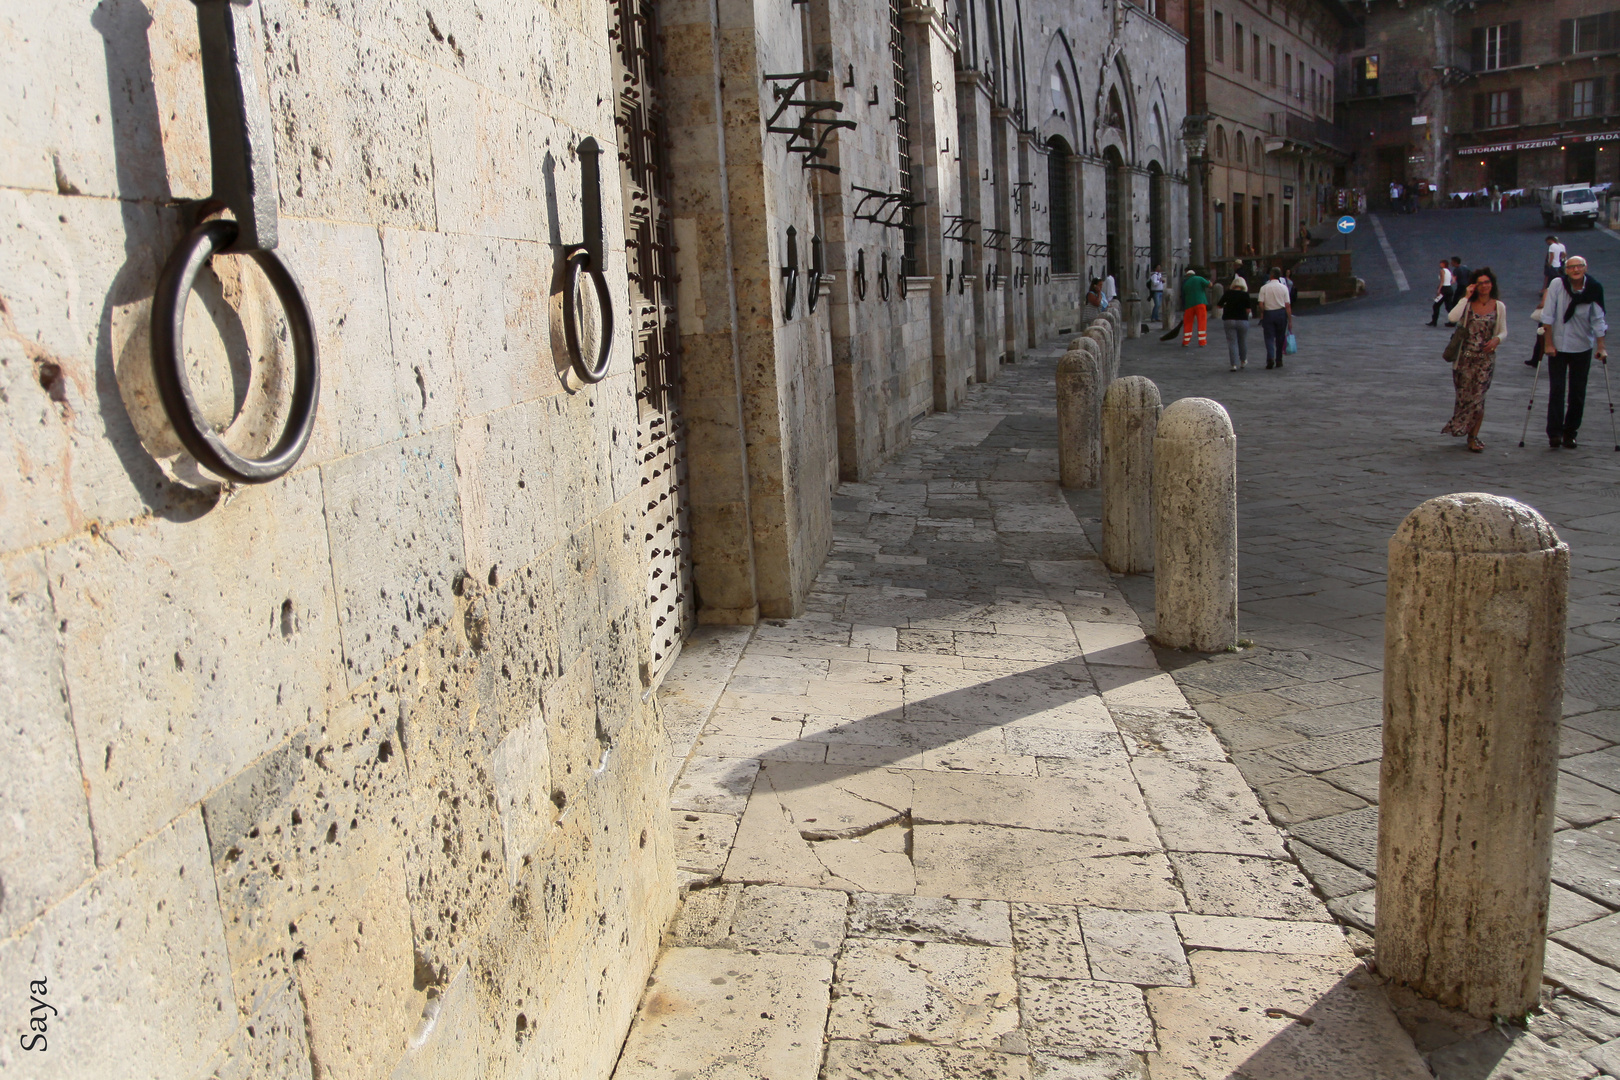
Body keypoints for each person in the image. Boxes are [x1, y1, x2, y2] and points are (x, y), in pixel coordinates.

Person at [1539, 255, 1609, 449]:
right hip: (1558, 346)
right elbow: (1548, 315)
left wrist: (1601, 347)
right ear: (1566, 270)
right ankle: (1554, 433)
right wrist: (1548, 343)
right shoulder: (1557, 284)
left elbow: (1598, 319)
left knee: (1577, 392)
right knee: (1557, 390)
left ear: (1585, 268)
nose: (1576, 270)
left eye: (1579, 266)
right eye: (1571, 267)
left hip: (1582, 346)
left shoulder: (1594, 288)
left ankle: (1570, 432)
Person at [1441, 268, 1507, 453]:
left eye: (1487, 282)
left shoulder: (1498, 306)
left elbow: (1503, 330)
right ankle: (1461, 426)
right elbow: (1452, 317)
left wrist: (1497, 339)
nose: (1484, 286)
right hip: (1464, 359)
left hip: (1485, 359)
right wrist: (1465, 297)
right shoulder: (1467, 305)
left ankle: (1473, 436)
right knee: (1464, 399)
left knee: (1478, 399)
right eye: (1480, 283)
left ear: (1491, 284)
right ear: (1474, 286)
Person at [1219, 273, 1255, 371]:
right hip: (1242, 320)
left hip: (1229, 319)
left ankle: (1233, 364)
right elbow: (1248, 310)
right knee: (1242, 341)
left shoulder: (1228, 293)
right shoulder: (1245, 295)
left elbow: (1219, 305)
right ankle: (1243, 361)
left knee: (1232, 343)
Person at [1258, 267, 1292, 369]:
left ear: (1271, 275)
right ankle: (1279, 359)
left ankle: (1270, 357)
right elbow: (1287, 305)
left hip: (1269, 313)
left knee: (1269, 337)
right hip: (1281, 313)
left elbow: (1260, 303)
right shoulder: (1284, 288)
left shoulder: (1264, 288)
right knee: (1280, 337)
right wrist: (1290, 319)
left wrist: (1263, 312)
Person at [1181, 268, 1210, 347]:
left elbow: (1183, 294)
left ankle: (1186, 341)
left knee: (1188, 322)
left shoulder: (1186, 283)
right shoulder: (1199, 278)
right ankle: (1202, 341)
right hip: (1200, 303)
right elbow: (1209, 285)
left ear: (1187, 275)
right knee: (1202, 321)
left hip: (1189, 305)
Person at [1445, 257, 1470, 326]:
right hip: (1466, 287)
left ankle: (1453, 321)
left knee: (1454, 304)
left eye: (1452, 262)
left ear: (1455, 262)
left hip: (1460, 287)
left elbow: (1453, 280)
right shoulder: (1465, 268)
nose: (1451, 263)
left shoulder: (1456, 270)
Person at [1429, 259, 1454, 326]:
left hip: (1444, 289)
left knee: (1436, 306)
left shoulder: (1442, 271)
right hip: (1449, 289)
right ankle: (1453, 321)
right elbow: (1452, 280)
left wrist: (1439, 289)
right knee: (1448, 306)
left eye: (1441, 263)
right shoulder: (1449, 271)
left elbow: (1442, 281)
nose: (1440, 264)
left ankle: (1434, 321)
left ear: (1443, 264)